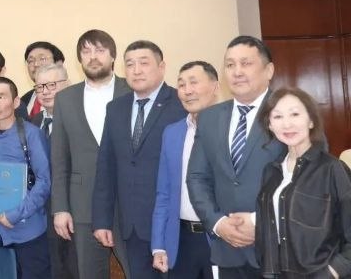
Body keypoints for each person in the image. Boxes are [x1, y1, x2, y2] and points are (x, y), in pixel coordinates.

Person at [187, 35, 285, 279]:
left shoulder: (290, 111)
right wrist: (218, 223)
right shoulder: (209, 117)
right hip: (227, 250)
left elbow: (308, 182)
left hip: (280, 249)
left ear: (269, 70)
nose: (237, 72)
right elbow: (197, 177)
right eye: (230, 65)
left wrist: (259, 222)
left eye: (246, 63)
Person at [93, 40, 187, 279]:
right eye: (130, 64)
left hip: (174, 223)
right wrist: (102, 220)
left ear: (162, 67)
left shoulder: (181, 104)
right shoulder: (116, 108)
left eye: (144, 63)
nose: (136, 70)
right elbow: (106, 166)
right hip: (132, 225)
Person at [51, 29, 132, 279]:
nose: (93, 57)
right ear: (79, 59)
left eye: (100, 50)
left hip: (128, 204)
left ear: (113, 56)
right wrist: (60, 208)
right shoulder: (65, 99)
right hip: (82, 205)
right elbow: (59, 159)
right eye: (86, 51)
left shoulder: (132, 90)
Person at [256, 87, 351, 277]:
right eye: (278, 116)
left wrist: (332, 271)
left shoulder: (332, 168)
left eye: (295, 114)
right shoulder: (271, 172)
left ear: (311, 121)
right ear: (270, 125)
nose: (287, 124)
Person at [0, 77, 51, 278]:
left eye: (1, 97)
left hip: (27, 232)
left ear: (16, 102)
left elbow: (44, 182)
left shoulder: (32, 135)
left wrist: (16, 214)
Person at [152, 61, 220, 279]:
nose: (187, 90)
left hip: (220, 240)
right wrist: (158, 245)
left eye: (194, 82)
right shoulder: (172, 133)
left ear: (215, 86)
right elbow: (163, 193)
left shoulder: (230, 130)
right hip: (181, 241)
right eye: (181, 85)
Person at [30, 62, 74, 279]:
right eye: (40, 87)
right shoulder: (33, 122)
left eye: (52, 85)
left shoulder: (79, 120)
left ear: (68, 85)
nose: (45, 92)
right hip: (41, 213)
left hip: (73, 209)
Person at [22, 41, 64, 118]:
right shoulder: (24, 100)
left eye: (42, 59)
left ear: (59, 64)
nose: (36, 64)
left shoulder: (73, 97)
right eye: (31, 61)